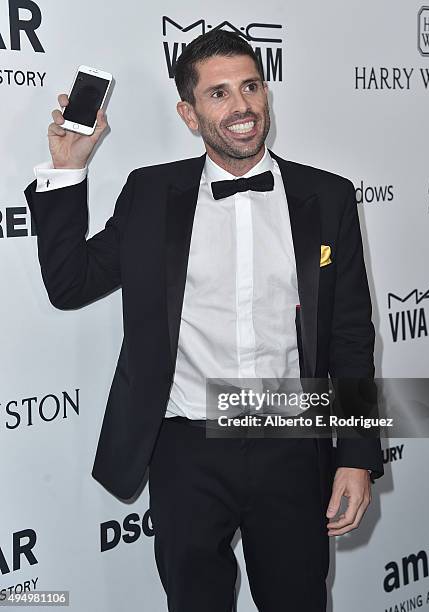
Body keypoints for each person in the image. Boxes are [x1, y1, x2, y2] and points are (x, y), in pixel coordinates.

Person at [24, 29, 384, 612]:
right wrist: (68, 170)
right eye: (218, 95)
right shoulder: (150, 193)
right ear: (188, 115)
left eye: (250, 87)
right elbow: (71, 285)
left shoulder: (329, 196)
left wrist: (356, 453)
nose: (241, 107)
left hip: (291, 445)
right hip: (185, 448)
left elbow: (349, 335)